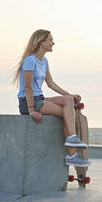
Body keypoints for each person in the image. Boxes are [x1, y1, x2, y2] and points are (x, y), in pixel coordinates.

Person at [14, 29, 90, 167]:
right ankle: (71, 154)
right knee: (67, 114)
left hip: (40, 98)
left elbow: (51, 83)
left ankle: (72, 139)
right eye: (50, 40)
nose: (53, 43)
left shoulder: (44, 61)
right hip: (28, 102)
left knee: (68, 101)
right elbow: (28, 88)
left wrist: (70, 95)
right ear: (41, 42)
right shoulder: (30, 61)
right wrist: (31, 110)